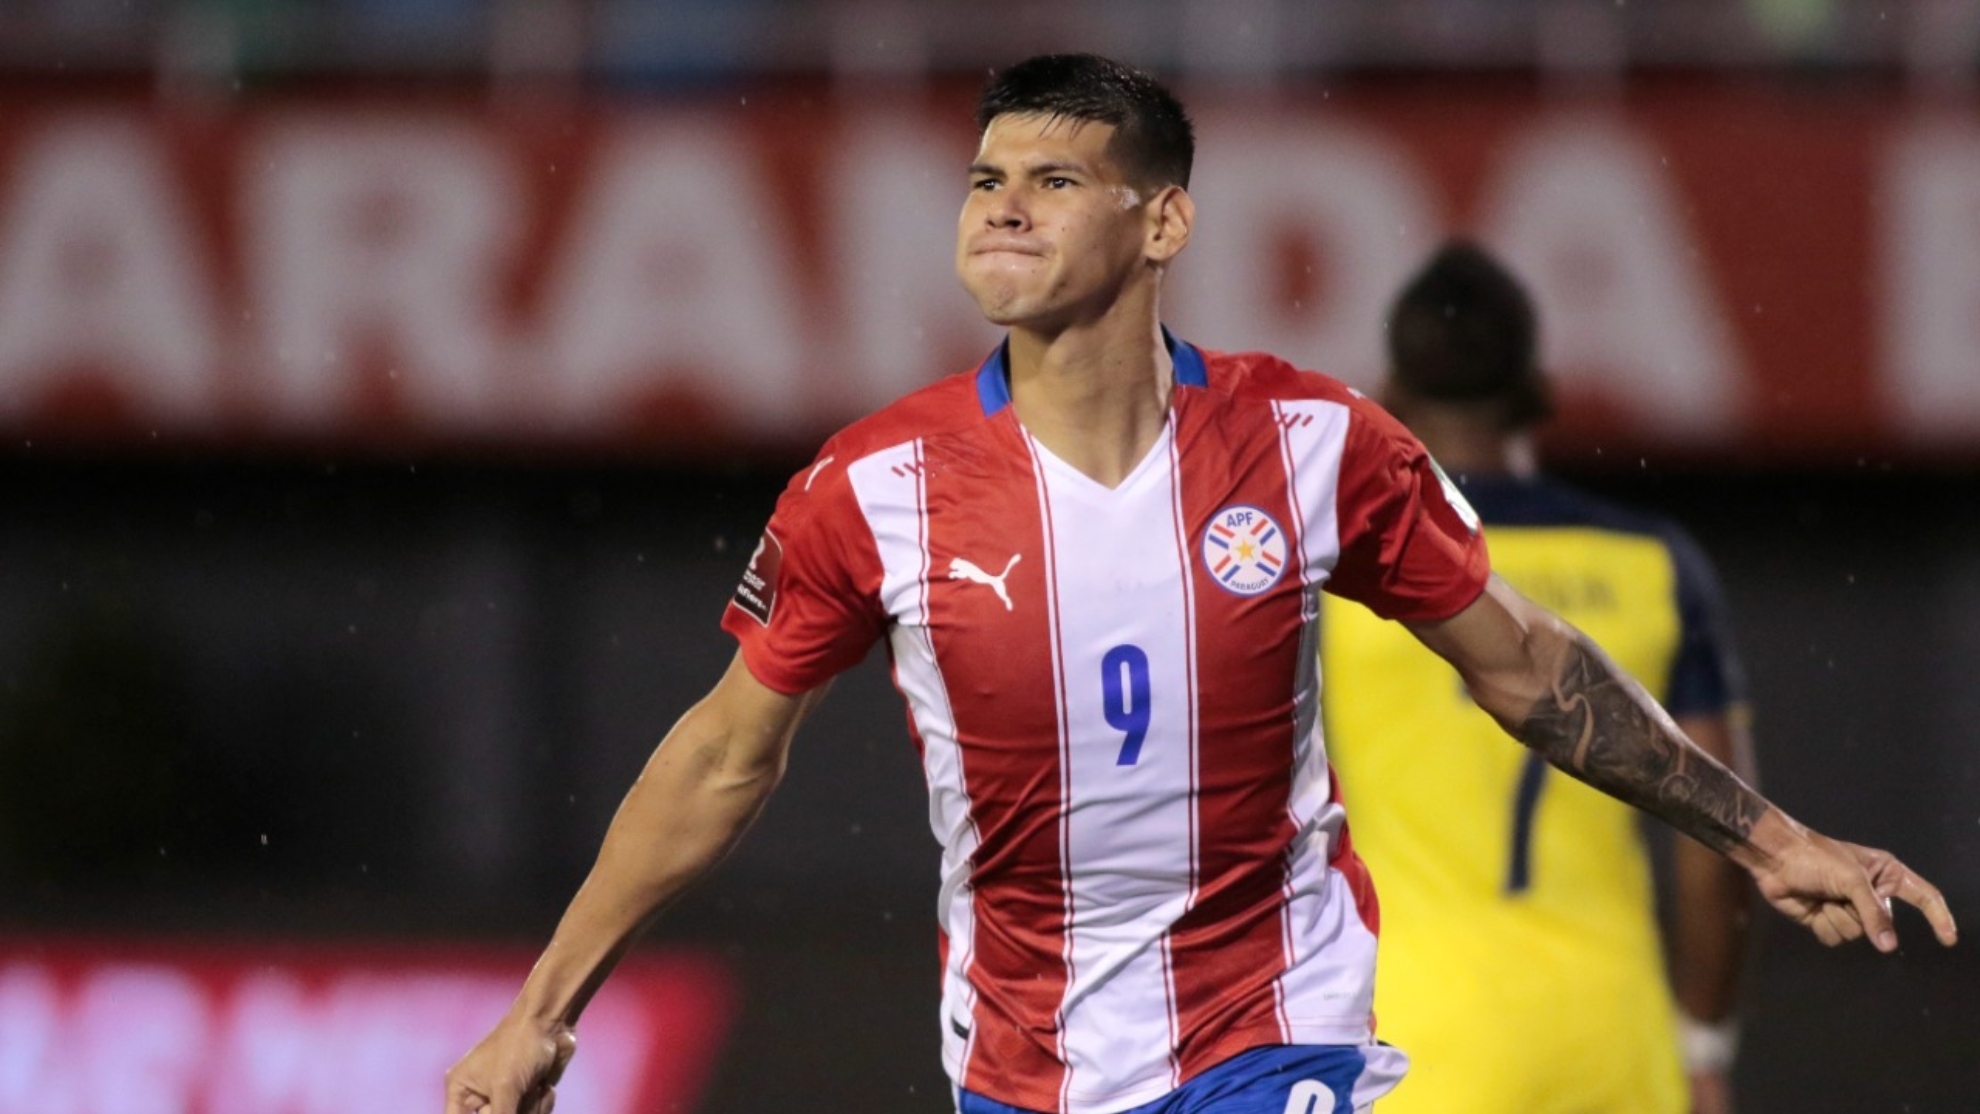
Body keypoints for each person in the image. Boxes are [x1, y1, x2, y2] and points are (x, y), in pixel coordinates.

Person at [443, 54, 1956, 1114]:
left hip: (1274, 1024)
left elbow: (1528, 669)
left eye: (1055, 180)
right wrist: (542, 1010)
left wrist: (1771, 838)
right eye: (985, 180)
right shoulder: (871, 488)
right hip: (1020, 1056)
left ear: (1161, 221)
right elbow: (724, 756)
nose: (1003, 207)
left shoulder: (1313, 444)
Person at [1321, 242, 1756, 1114]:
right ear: (1536, 388)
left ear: (1389, 392)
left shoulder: (1345, 566)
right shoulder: (1651, 564)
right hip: (1611, 1037)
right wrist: (1702, 1041)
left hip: (1409, 1035)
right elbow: (1722, 836)